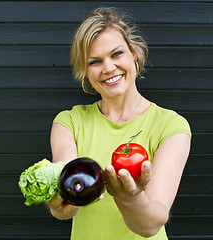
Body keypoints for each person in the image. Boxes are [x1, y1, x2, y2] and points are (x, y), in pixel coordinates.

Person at [47, 7, 191, 240]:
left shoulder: (171, 126)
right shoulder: (69, 122)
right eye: (95, 61)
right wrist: (62, 204)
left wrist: (129, 197)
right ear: (85, 70)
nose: (108, 68)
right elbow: (65, 197)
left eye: (116, 54)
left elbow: (150, 226)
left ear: (134, 53)